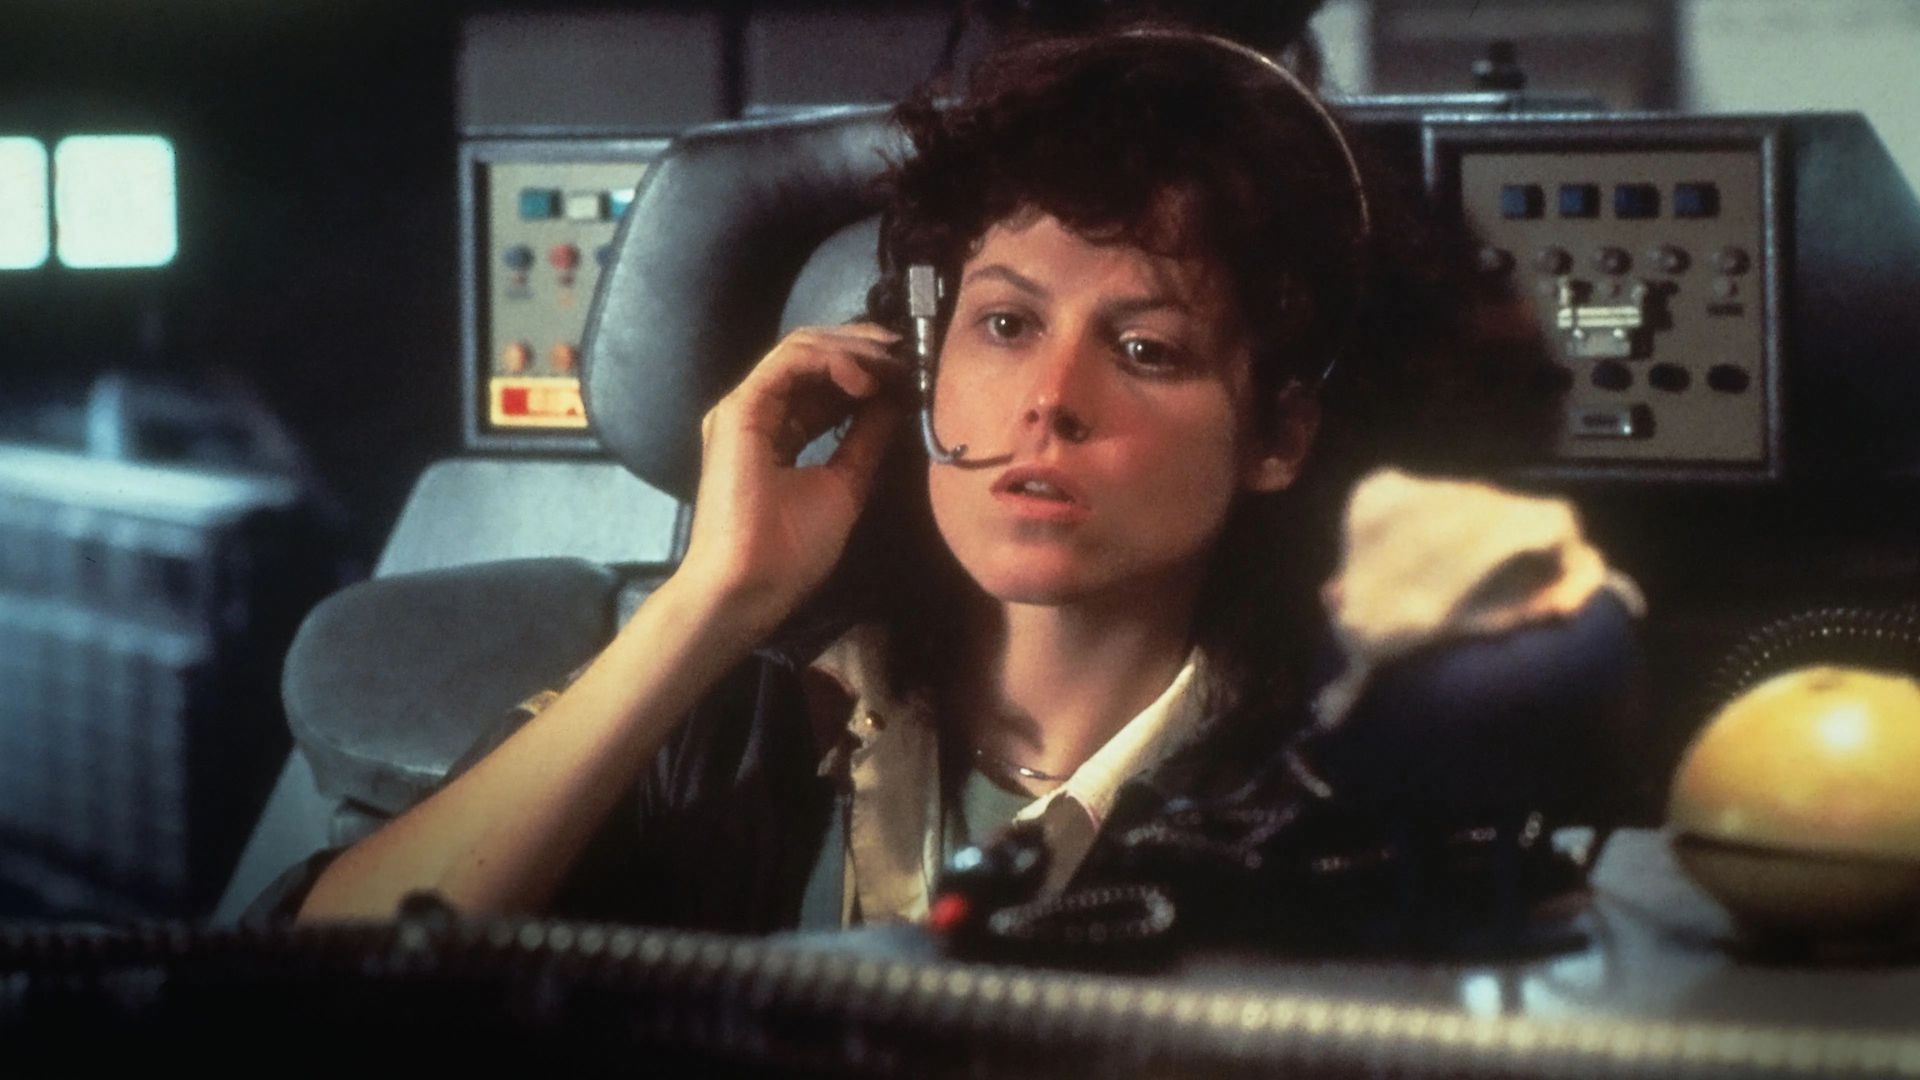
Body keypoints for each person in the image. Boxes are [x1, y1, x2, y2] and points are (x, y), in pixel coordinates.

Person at [293, 29, 1547, 929]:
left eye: (1145, 350)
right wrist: (709, 603)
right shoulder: (731, 724)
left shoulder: (1338, 818)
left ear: (1276, 436)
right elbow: (323, 989)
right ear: (923, 370)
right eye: (1005, 325)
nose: (1050, 398)